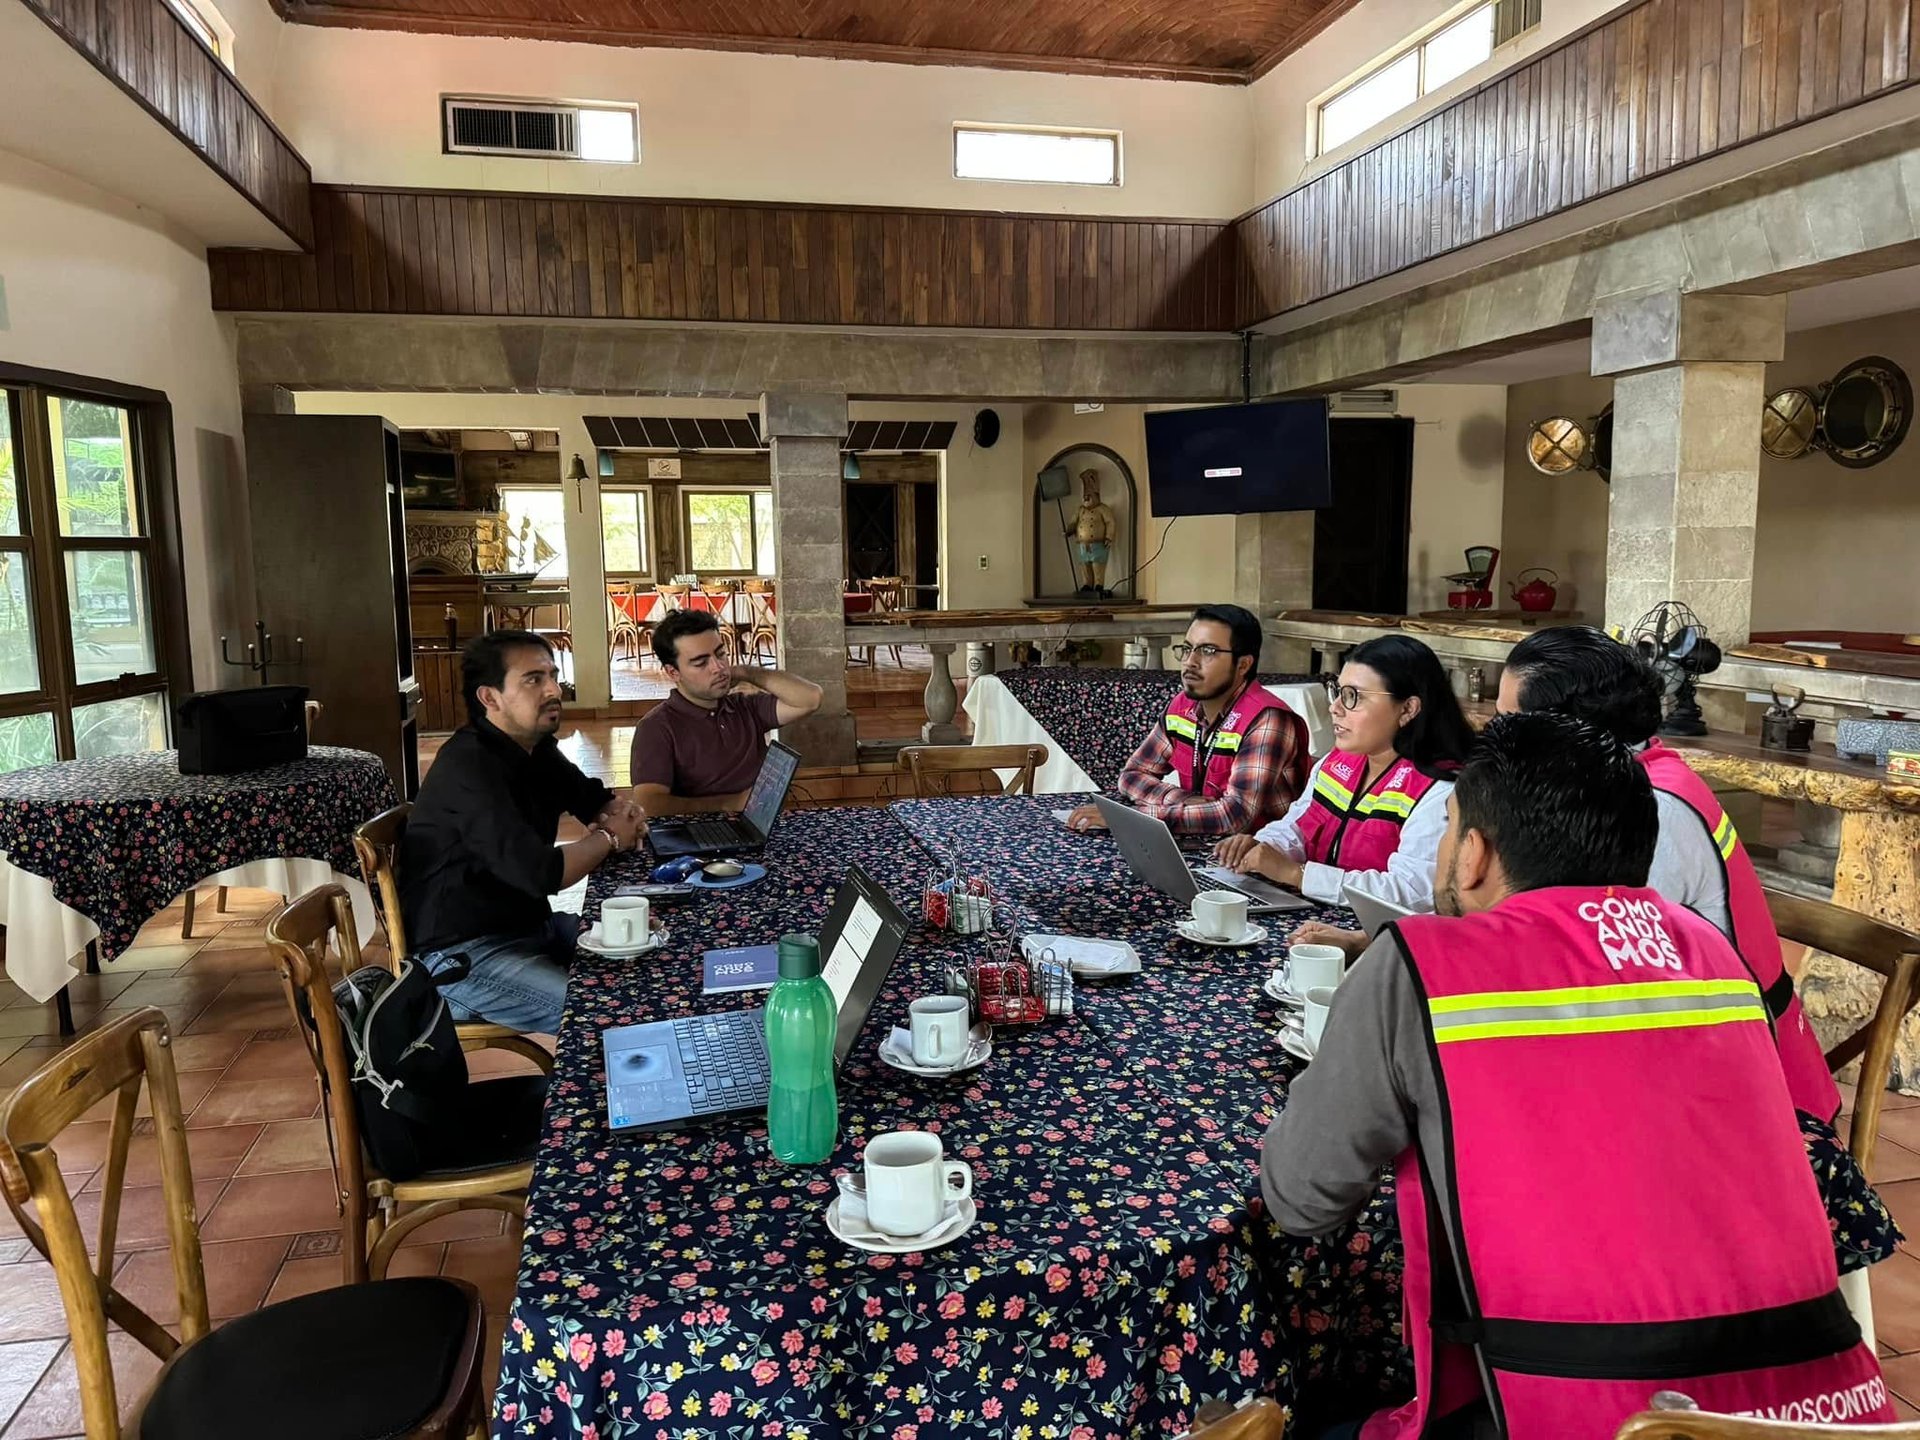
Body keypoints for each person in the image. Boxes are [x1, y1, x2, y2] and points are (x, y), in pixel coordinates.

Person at [1263, 712, 1892, 1439]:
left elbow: (1301, 1200)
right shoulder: (1712, 952)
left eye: (1447, 831)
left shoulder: (1420, 964)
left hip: (1581, 1411)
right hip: (1824, 1414)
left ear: (1473, 855)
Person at [1499, 626, 1838, 1123]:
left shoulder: (1655, 808)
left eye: (1511, 723)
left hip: (1746, 1089)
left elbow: (1605, 972)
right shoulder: (1618, 778)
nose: (1499, 740)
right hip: (1680, 1034)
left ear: (1569, 729)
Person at [399, 632, 647, 1035]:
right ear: (490, 697)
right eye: (533, 679)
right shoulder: (469, 766)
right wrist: (609, 837)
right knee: (606, 1015)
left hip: (529, 928)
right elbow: (544, 873)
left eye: (553, 676)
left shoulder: (534, 748)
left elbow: (592, 800)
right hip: (462, 955)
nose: (554, 690)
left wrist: (622, 815)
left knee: (657, 954)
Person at [1214, 635, 1473, 923]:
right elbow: (1297, 824)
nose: (1335, 707)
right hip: (1312, 917)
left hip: (1370, 933)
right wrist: (1263, 847)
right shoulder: (1339, 760)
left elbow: (1411, 893)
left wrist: (1297, 875)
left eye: (1353, 696)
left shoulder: (1439, 789)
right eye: (1337, 691)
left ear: (1408, 709)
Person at [1065, 604, 1307, 838]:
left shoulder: (1266, 718)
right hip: (1202, 843)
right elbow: (1132, 775)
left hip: (1257, 853)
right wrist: (1181, 799)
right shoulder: (1183, 706)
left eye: (1208, 651)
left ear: (1243, 664)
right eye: (1187, 648)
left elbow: (1234, 816)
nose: (1190, 661)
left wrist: (1131, 818)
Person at [629, 608, 821, 813]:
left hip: (760, 822)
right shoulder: (657, 727)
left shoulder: (744, 706)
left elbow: (811, 699)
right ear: (673, 672)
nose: (718, 667)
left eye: (721, 654)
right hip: (702, 827)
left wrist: (746, 672)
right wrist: (728, 803)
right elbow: (648, 805)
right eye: (701, 663)